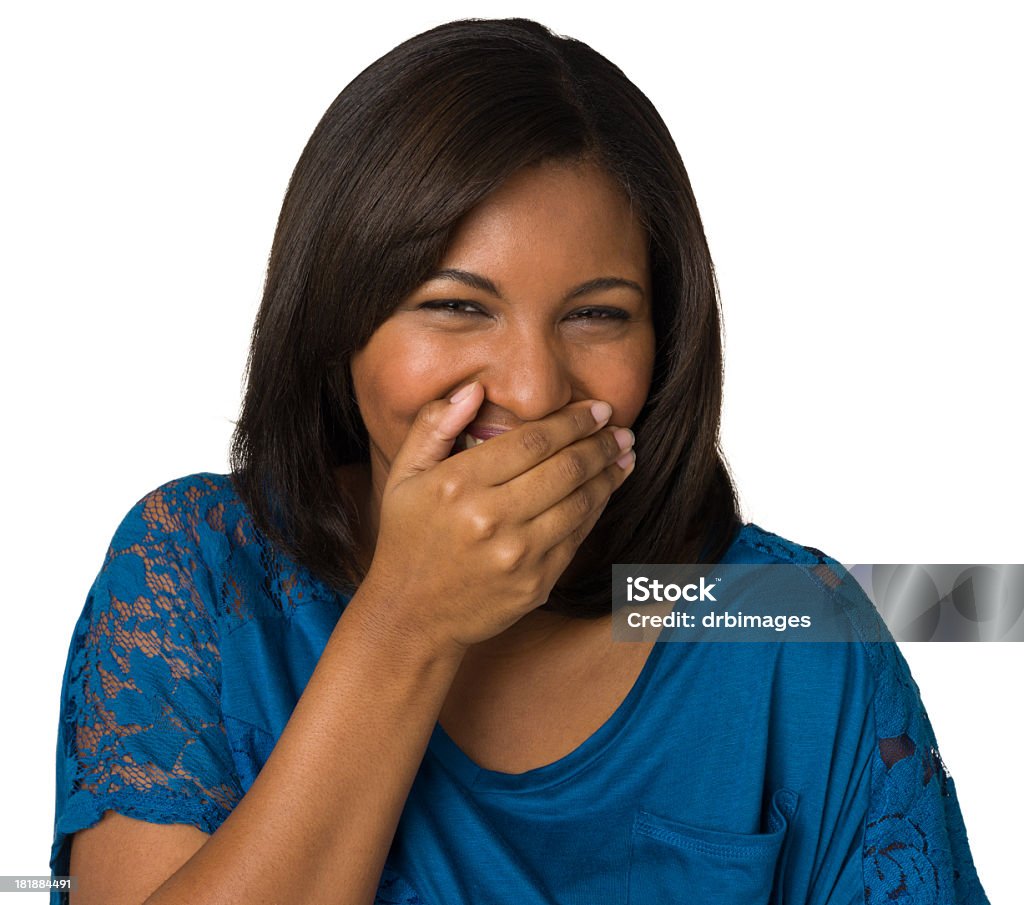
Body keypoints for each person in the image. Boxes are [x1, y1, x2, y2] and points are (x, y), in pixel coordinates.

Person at [50, 17, 989, 905]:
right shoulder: (196, 573)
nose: (536, 390)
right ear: (339, 316)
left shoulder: (784, 621)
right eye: (458, 306)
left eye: (597, 314)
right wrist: (406, 620)